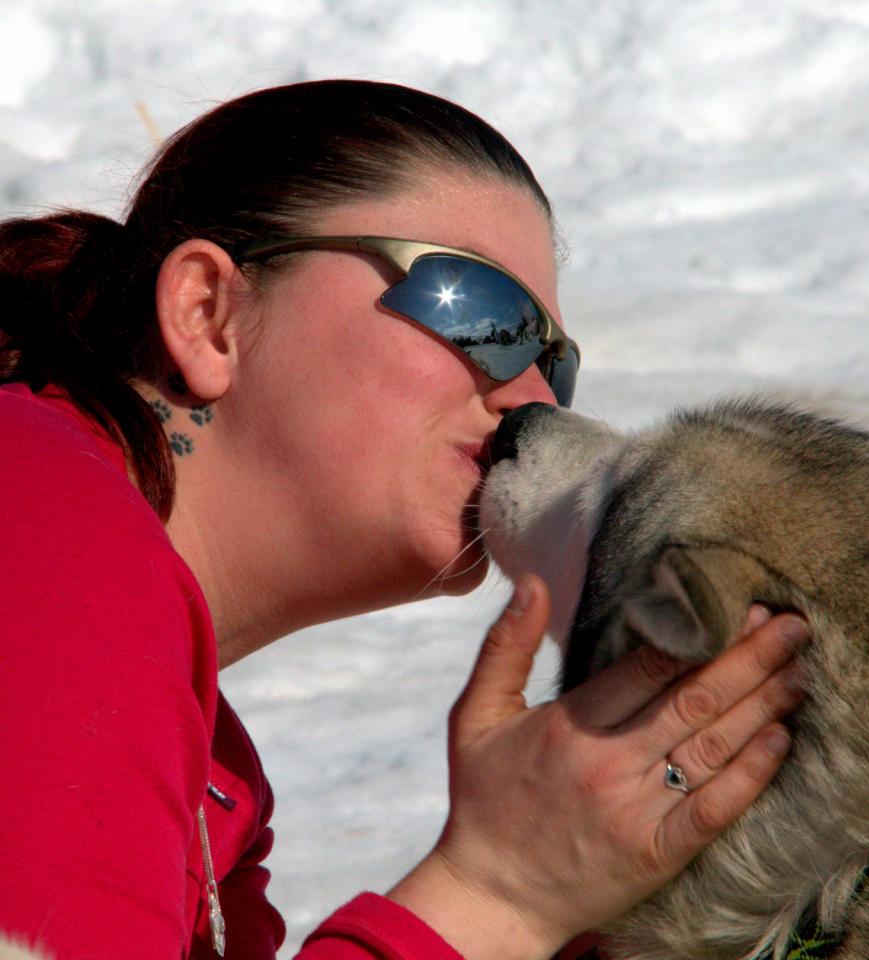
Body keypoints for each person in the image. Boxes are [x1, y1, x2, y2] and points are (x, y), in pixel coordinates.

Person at [0, 80, 809, 960]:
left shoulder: (214, 780)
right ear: (208, 314)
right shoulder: (37, 513)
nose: (534, 400)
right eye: (477, 311)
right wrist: (498, 892)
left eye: (554, 364)